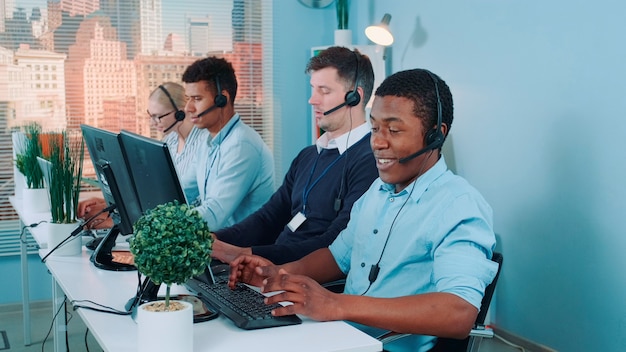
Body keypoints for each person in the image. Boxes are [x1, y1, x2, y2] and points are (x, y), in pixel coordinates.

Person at [227, 69, 499, 352]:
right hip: (341, 338)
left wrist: (336, 304)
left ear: (435, 135)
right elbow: (337, 257)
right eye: (374, 128)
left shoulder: (459, 205)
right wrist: (277, 275)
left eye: (394, 130)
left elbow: (459, 312)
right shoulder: (377, 192)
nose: (377, 143)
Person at [211, 46, 378, 265]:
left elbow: (335, 244)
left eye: (324, 91)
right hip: (271, 268)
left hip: (310, 280)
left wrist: (244, 255)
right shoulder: (308, 156)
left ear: (355, 97)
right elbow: (269, 218)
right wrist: (215, 240)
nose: (312, 100)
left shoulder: (371, 162)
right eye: (313, 89)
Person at [79, 82, 208, 229]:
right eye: (150, 116)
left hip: (186, 228)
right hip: (164, 221)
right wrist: (108, 205)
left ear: (180, 113)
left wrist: (118, 220)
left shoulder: (203, 145)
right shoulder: (170, 141)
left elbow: (178, 202)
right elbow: (152, 194)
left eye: (158, 117)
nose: (153, 123)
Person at [180, 56, 274, 231]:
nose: (188, 108)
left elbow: (213, 216)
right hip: (219, 243)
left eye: (197, 99)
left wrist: (161, 225)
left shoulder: (241, 145)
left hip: (241, 250)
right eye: (188, 99)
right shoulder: (206, 141)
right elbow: (183, 190)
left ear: (222, 99)